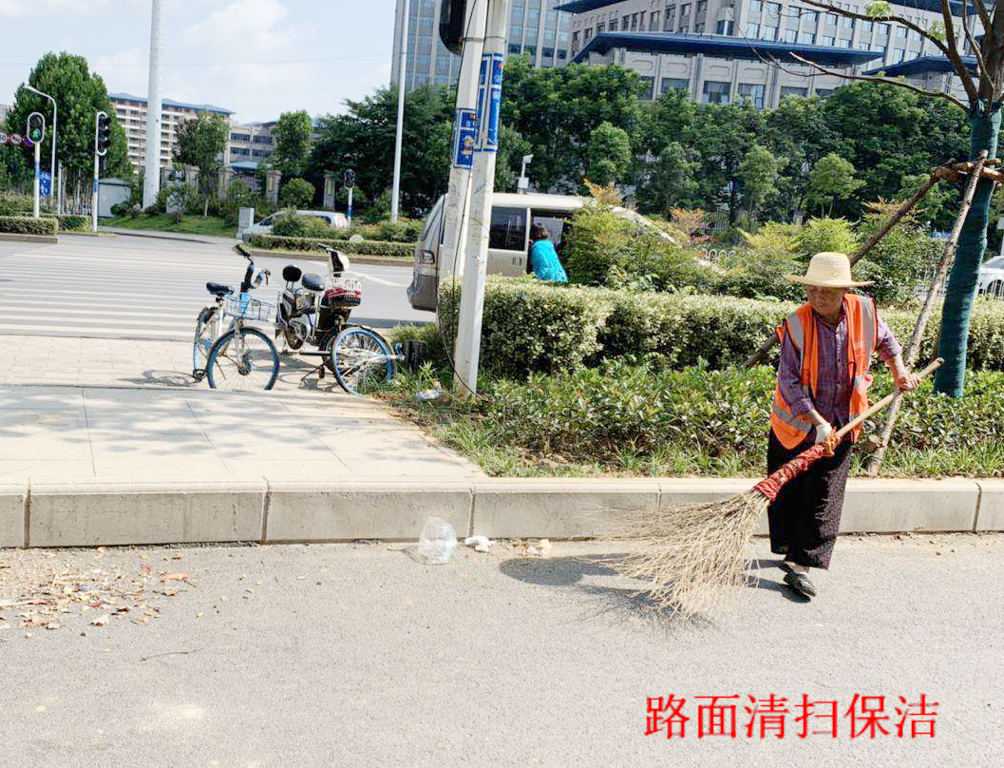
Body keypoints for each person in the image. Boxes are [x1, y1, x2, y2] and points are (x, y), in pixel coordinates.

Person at [769, 252, 919, 600]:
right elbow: (788, 381)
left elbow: (887, 343)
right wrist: (817, 423)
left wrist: (899, 372)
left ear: (844, 291)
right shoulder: (795, 324)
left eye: (827, 291)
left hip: (844, 421)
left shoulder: (863, 312)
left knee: (824, 494)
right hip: (796, 424)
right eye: (813, 290)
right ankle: (790, 549)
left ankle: (802, 566)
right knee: (789, 491)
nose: (818, 297)